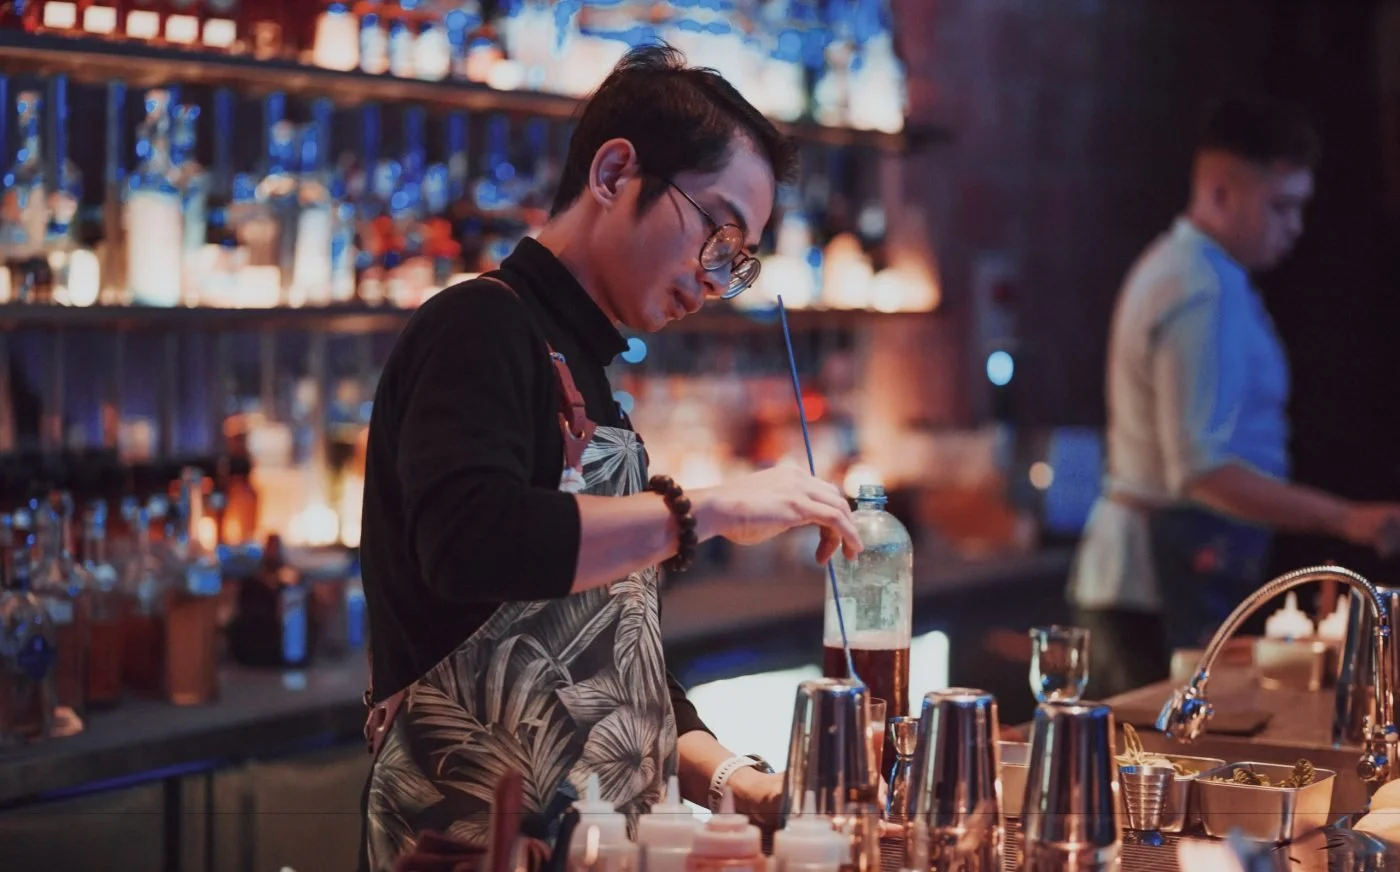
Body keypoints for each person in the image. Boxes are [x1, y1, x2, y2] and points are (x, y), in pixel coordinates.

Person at [356, 44, 864, 871]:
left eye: (738, 261)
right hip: (468, 848)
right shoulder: (478, 325)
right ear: (614, 173)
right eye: (718, 232)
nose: (713, 278)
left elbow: (613, 670)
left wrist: (747, 787)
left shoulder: (590, 378)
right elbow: (468, 543)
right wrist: (712, 509)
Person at [1067, 95, 1400, 699]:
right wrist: (1347, 518)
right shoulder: (1197, 288)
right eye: (1282, 207)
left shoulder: (1203, 274)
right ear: (1221, 193)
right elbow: (1203, 470)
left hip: (1167, 577)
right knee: (1147, 778)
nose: (1295, 227)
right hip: (1153, 588)